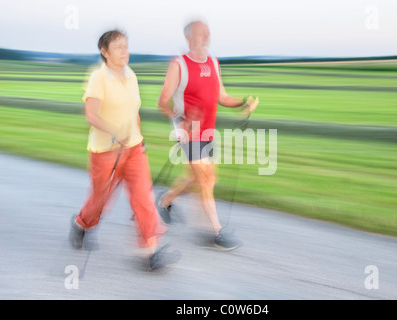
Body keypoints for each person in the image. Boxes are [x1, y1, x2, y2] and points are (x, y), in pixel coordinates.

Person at [68, 29, 181, 271]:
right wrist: (113, 132)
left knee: (143, 198)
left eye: (126, 46)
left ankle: (150, 252)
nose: (124, 51)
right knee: (100, 200)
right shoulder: (98, 77)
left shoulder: (131, 75)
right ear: (104, 51)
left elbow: (132, 111)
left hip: (133, 149)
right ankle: (81, 224)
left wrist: (139, 139)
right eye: (118, 47)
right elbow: (91, 114)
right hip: (105, 152)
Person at [157, 20, 258, 250]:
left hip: (208, 132)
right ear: (188, 38)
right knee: (207, 178)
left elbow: (222, 96)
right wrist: (181, 121)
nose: (205, 35)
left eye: (207, 32)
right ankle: (217, 232)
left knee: (195, 178)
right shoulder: (179, 65)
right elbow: (162, 102)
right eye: (200, 32)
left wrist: (243, 102)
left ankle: (165, 200)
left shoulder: (213, 62)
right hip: (188, 132)